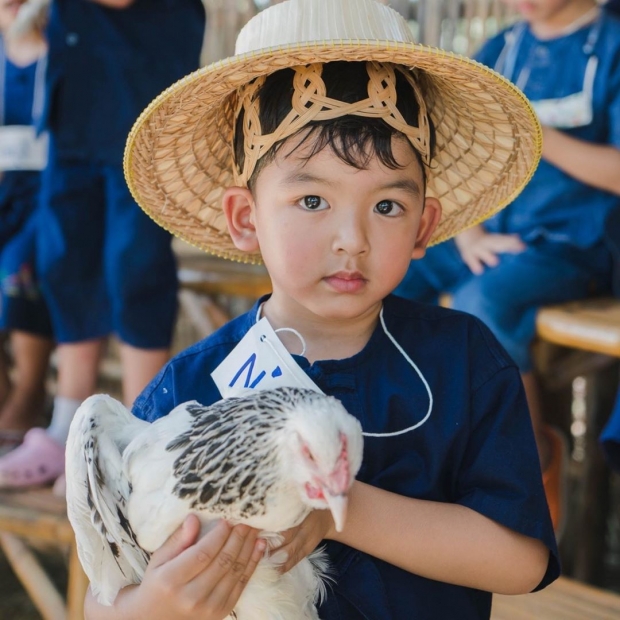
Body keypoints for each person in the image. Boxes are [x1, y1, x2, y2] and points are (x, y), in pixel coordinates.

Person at [85, 1, 560, 618]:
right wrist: (154, 604)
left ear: (425, 225)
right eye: (312, 200)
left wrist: (338, 510)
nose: (352, 238)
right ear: (245, 219)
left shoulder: (464, 361)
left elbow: (520, 562)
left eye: (387, 207)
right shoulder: (192, 387)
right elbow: (103, 590)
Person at [394, 0, 620, 533]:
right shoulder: (502, 48)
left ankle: (526, 463)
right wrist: (470, 231)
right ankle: (403, 444)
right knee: (392, 276)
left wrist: (535, 133)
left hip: (576, 243)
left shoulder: (611, 46)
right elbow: (451, 151)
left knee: (484, 302)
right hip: (491, 234)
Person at [0, 0, 205, 488]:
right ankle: (70, 427)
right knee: (65, 261)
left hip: (139, 90)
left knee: (134, 266)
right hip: (77, 104)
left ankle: (138, 433)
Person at [0, 0, 54, 455]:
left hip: (50, 193)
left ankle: (30, 391)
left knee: (20, 266)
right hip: (4, 192)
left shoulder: (62, 51)